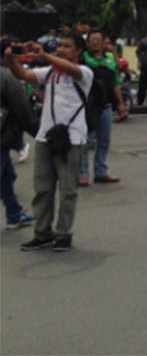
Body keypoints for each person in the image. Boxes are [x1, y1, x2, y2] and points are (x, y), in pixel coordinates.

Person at [6, 34, 93, 252]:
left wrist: (44, 55)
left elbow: (71, 70)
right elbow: (23, 74)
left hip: (72, 138)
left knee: (67, 190)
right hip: (46, 137)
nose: (62, 49)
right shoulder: (50, 73)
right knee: (42, 188)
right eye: (60, 46)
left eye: (67, 46)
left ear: (79, 51)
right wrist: (11, 58)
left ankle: (63, 234)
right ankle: (42, 233)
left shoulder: (84, 73)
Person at [78, 28, 126, 186]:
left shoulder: (110, 59)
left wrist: (120, 103)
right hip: (87, 105)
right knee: (83, 140)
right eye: (92, 39)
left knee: (104, 140)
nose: (95, 42)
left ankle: (100, 171)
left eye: (98, 39)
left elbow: (116, 82)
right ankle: (82, 173)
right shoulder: (82, 58)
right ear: (87, 42)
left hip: (105, 105)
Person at [2, 41, 39, 230]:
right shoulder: (9, 77)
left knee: (7, 176)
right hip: (2, 136)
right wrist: (38, 132)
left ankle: (14, 214)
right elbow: (23, 110)